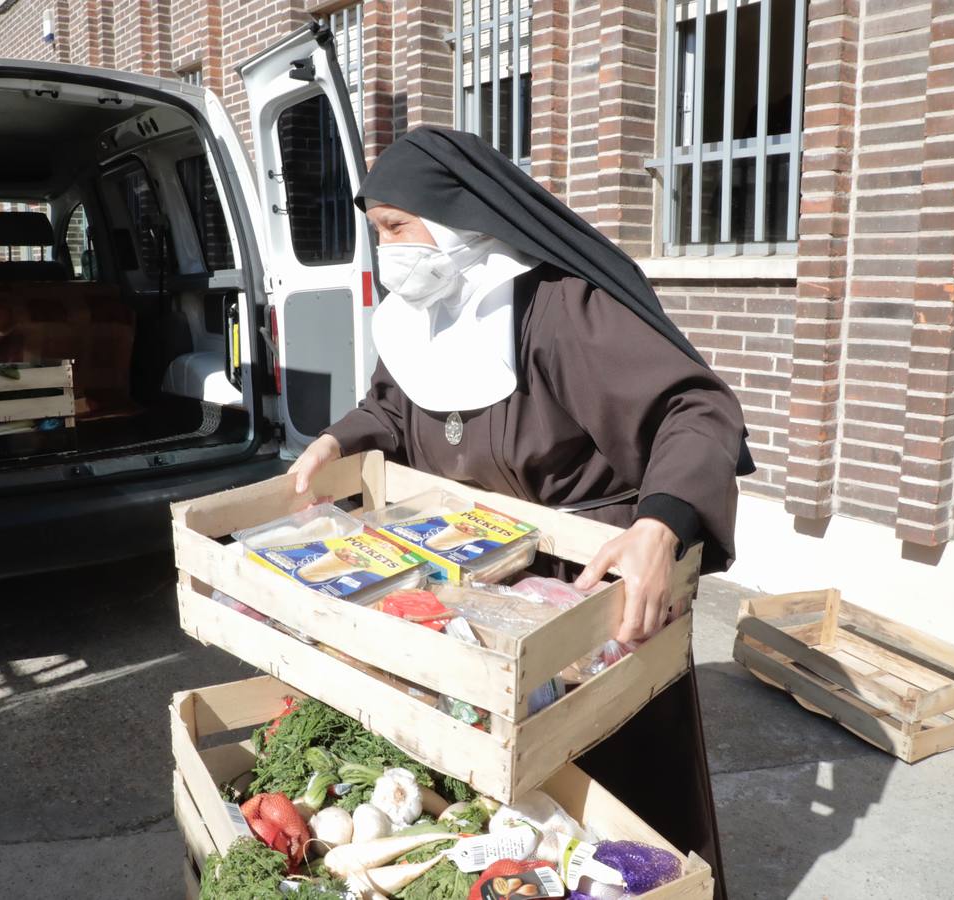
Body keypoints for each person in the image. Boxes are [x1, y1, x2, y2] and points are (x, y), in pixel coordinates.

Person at [289, 126, 750, 898]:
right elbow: (393, 407)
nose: (388, 249)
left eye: (396, 227)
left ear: (457, 215)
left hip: (582, 581)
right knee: (491, 793)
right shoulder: (421, 309)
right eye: (378, 234)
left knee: (608, 787)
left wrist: (659, 523)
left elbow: (695, 411)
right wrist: (338, 439)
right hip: (470, 572)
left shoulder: (558, 306)